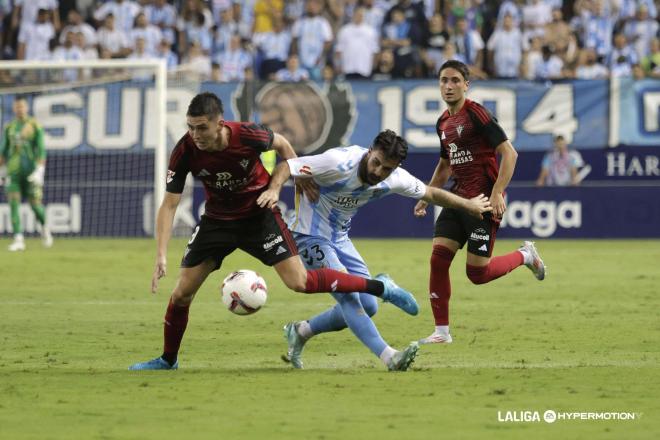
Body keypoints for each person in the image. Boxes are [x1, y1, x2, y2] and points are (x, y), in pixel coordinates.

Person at [128, 92, 419, 371]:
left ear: (220, 123)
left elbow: (281, 145)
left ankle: (378, 289)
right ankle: (168, 360)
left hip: (259, 215)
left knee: (299, 282)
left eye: (201, 128)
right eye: (190, 128)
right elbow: (169, 205)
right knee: (181, 294)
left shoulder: (247, 135)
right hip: (217, 222)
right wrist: (161, 254)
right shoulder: (184, 151)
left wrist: (300, 177)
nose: (195, 135)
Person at [256, 129, 492, 371]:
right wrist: (275, 189)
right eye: (376, 163)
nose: (378, 172)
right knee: (348, 296)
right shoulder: (338, 163)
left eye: (386, 169)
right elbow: (288, 165)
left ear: (395, 168)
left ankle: (301, 331)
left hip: (340, 239)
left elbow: (430, 192)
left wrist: (468, 205)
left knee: (369, 305)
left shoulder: (395, 178)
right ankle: (390, 357)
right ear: (369, 152)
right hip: (308, 235)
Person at [413, 60, 546, 345]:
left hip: (483, 202)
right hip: (456, 199)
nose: (448, 86)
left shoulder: (476, 114)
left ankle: (525, 256)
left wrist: (497, 192)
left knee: (477, 274)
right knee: (438, 260)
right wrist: (427, 194)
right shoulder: (443, 123)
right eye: (444, 80)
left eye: (455, 81)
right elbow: (445, 165)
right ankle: (441, 332)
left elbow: (509, 153)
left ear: (466, 84)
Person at [0, 96, 53, 252]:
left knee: (35, 206)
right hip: (13, 172)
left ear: (27, 108)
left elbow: (41, 149)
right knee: (13, 204)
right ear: (14, 109)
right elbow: (3, 150)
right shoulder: (10, 127)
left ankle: (44, 228)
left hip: (31, 172)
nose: (19, 110)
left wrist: (39, 171)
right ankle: (18, 239)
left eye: (22, 107)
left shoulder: (35, 126)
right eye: (17, 107)